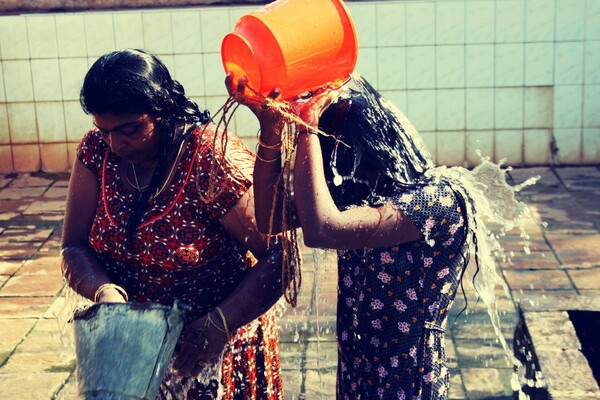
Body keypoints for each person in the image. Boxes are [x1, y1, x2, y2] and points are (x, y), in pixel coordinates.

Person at [229, 73, 471, 399]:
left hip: (409, 378)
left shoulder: (434, 200)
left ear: (381, 149)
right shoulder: (359, 194)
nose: (339, 174)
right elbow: (270, 217)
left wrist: (307, 128)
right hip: (357, 368)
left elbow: (322, 230)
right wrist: (271, 130)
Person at [61, 48, 285, 400]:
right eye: (103, 130)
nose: (115, 144)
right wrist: (104, 292)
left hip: (209, 348)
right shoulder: (96, 151)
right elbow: (73, 246)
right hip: (134, 346)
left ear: (161, 110)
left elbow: (279, 258)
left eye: (130, 130)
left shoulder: (209, 157)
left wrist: (218, 323)